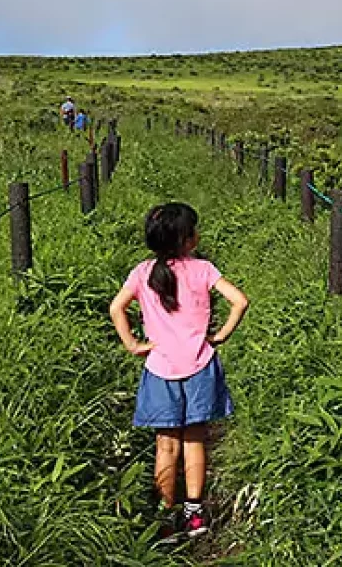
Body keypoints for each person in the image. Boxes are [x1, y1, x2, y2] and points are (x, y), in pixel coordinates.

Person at [109, 203, 249, 539]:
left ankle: (165, 516)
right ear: (186, 239)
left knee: (166, 445)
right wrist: (221, 335)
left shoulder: (142, 273)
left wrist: (133, 344)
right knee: (194, 440)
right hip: (200, 365)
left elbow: (116, 308)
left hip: (160, 369)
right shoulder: (203, 269)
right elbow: (240, 301)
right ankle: (194, 514)